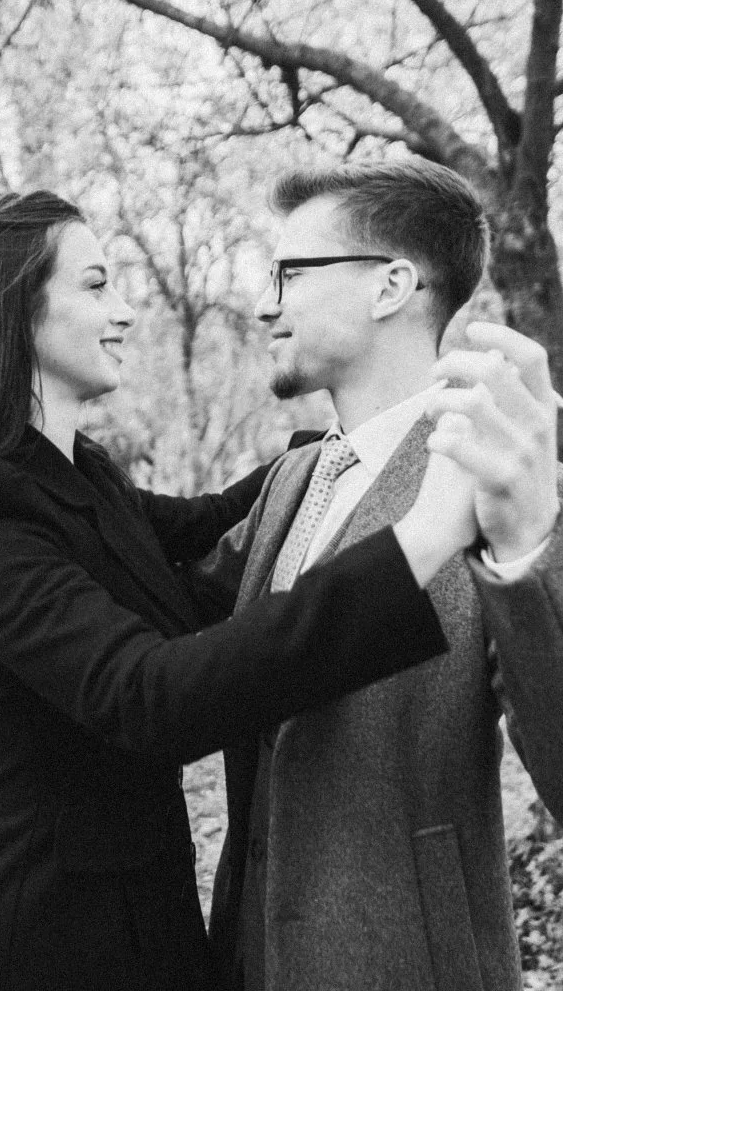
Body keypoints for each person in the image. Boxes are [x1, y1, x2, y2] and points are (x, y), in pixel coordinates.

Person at [0, 189, 479, 991]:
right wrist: (425, 534)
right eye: (96, 285)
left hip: (148, 918)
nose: (125, 311)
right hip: (37, 939)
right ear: (12, 310)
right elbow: (149, 698)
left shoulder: (81, 473)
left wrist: (350, 448)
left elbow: (209, 525)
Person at [201, 159, 563, 990]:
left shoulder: (504, 479)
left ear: (391, 285)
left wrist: (527, 545)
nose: (265, 305)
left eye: (291, 274)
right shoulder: (291, 481)